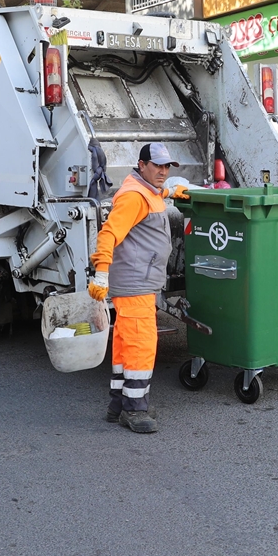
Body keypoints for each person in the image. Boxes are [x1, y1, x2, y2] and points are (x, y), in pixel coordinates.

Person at [89, 142, 189, 433]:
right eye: (157, 165)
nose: (163, 171)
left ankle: (118, 404)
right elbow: (108, 234)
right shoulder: (134, 196)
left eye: (166, 166)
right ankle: (135, 410)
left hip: (139, 282)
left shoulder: (147, 190)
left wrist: (172, 192)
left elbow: (155, 194)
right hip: (136, 284)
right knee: (140, 345)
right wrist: (101, 274)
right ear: (142, 164)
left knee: (124, 343)